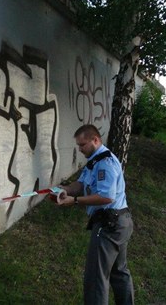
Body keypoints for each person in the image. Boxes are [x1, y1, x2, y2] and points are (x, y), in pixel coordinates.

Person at [56, 124, 134, 305]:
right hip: (119, 222)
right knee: (119, 272)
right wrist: (64, 189)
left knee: (96, 278)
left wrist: (74, 201)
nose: (80, 149)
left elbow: (106, 197)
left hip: (109, 225)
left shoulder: (104, 163)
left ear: (95, 140)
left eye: (82, 145)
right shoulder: (94, 161)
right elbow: (81, 185)